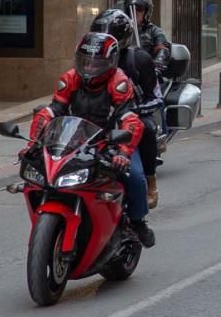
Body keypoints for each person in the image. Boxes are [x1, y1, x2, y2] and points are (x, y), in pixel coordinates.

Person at [30, 32, 154, 248]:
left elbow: (131, 120)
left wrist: (123, 151)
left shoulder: (119, 82)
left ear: (111, 62)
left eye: (96, 63)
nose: (89, 68)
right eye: (85, 62)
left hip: (111, 141)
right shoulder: (69, 79)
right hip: (75, 140)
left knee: (134, 176)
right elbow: (53, 111)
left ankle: (137, 222)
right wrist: (32, 144)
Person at [91, 9, 162, 210]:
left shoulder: (138, 60)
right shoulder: (86, 60)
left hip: (126, 127)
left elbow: (155, 96)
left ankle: (149, 183)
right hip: (91, 127)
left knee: (147, 131)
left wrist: (132, 112)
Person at [123, 0, 172, 80]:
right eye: (132, 9)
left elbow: (163, 50)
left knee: (153, 93)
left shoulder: (154, 31)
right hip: (122, 73)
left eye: (139, 9)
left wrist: (156, 67)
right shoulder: (121, 30)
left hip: (144, 75)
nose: (135, 12)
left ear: (147, 12)